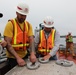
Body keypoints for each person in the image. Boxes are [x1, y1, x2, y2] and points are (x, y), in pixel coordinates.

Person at [3, 2, 36, 69]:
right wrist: (18, 58)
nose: (23, 17)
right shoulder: (10, 24)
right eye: (21, 15)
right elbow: (7, 44)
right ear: (17, 13)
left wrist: (32, 54)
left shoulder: (28, 25)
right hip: (13, 57)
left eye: (25, 15)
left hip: (25, 55)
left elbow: (31, 40)